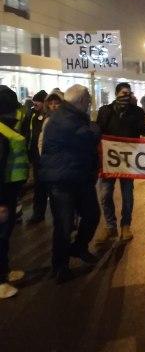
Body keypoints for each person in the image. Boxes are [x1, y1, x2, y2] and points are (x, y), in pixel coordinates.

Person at [39, 85, 101, 283]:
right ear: (82, 102)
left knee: (92, 215)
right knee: (64, 225)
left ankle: (79, 248)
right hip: (62, 182)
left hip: (80, 177)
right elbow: (88, 136)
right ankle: (60, 266)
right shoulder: (63, 120)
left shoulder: (72, 116)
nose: (90, 104)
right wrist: (95, 128)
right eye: (89, 101)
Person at [94, 83, 145, 243]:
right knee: (105, 194)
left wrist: (136, 118)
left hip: (127, 159)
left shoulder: (137, 111)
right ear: (117, 94)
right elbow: (99, 130)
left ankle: (126, 225)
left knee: (127, 195)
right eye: (123, 93)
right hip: (109, 160)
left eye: (129, 93)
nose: (126, 96)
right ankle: (110, 226)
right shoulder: (106, 110)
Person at [0, 86, 28, 298]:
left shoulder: (6, 129)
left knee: (5, 235)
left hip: (10, 191)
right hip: (2, 194)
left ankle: (5, 271)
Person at [24, 90, 48, 224]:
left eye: (37, 101)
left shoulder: (51, 117)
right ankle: (38, 213)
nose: (35, 104)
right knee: (39, 187)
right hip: (36, 157)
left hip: (48, 158)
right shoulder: (33, 115)